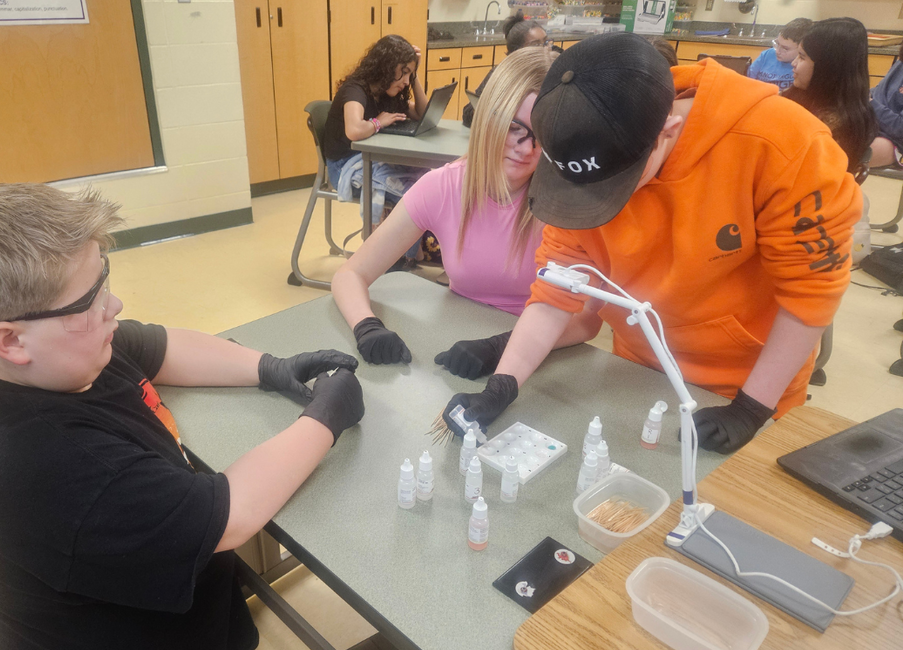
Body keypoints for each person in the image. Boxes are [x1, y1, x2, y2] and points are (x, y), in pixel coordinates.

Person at [0, 184, 365, 650]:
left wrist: (269, 367)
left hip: (71, 632)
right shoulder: (51, 465)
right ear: (12, 340)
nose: (113, 304)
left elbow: (153, 344)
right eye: (89, 300)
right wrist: (325, 418)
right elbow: (232, 515)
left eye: (103, 278)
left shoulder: (0, 365)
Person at [440, 33, 860, 454]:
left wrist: (752, 408)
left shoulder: (787, 145)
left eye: (615, 185)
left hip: (749, 382)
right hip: (638, 370)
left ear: (667, 131)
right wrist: (503, 384)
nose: (597, 202)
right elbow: (556, 292)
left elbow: (811, 294)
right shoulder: (577, 152)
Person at [333, 47, 593, 377]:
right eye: (515, 127)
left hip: (544, 359)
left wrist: (503, 346)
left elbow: (587, 320)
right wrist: (366, 325)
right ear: (489, 118)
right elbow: (350, 275)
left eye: (543, 135)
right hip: (458, 345)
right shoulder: (443, 187)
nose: (527, 149)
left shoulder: (573, 203)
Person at [324, 34, 429, 225]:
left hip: (371, 158)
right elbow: (354, 130)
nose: (406, 81)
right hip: (344, 166)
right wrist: (378, 122)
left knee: (427, 184)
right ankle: (397, 243)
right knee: (413, 198)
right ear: (386, 67)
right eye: (404, 72)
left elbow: (422, 114)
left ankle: (407, 243)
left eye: (409, 75)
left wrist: (414, 76)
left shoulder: (387, 91)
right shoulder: (355, 89)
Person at [783, 17, 878, 176]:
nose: (794, 63)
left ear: (827, 67)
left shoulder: (832, 126)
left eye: (802, 56)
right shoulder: (807, 96)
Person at [462, 11, 551, 128]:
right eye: (536, 45)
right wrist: (486, 112)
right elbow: (468, 113)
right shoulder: (500, 74)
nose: (545, 49)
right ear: (516, 51)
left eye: (546, 42)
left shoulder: (553, 75)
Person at [747, 17, 812, 90]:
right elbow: (748, 82)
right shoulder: (766, 55)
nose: (777, 51)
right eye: (777, 44)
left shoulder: (804, 67)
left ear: (801, 49)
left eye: (785, 48)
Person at [868, 41, 903, 168]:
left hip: (895, 139)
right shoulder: (900, 63)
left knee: (849, 153)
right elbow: (879, 92)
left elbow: (900, 128)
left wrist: (870, 103)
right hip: (873, 123)